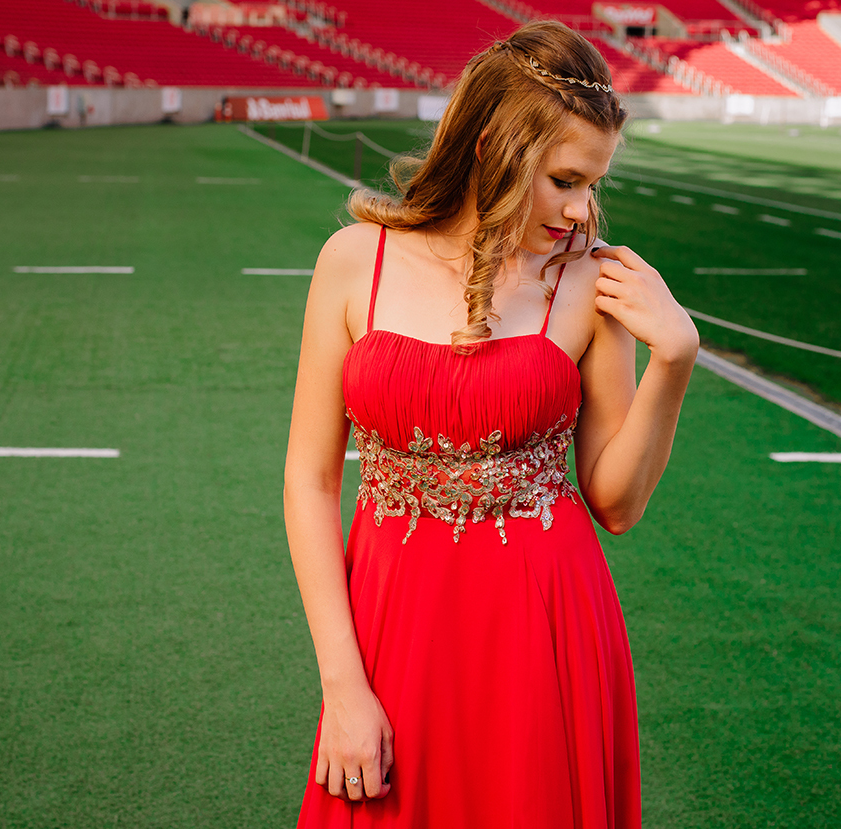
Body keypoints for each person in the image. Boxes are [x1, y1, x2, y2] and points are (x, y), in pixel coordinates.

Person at [283, 20, 699, 828]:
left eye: (593, 184)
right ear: (492, 149)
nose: (583, 211)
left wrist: (675, 361)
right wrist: (342, 682)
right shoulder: (351, 261)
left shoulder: (590, 280)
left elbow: (615, 502)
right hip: (395, 624)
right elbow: (310, 480)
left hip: (546, 630)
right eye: (566, 180)